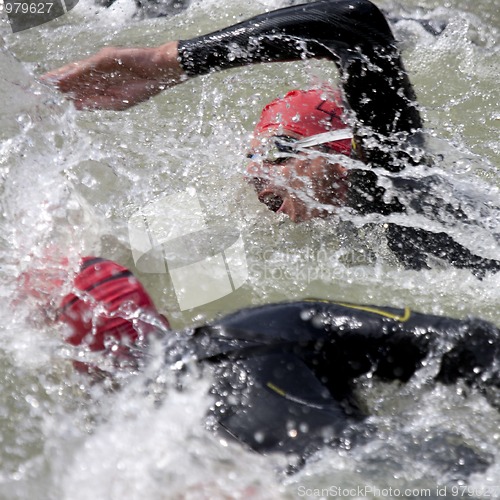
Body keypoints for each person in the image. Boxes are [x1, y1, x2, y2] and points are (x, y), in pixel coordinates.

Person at [41, 0, 500, 275]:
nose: (256, 172)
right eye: (253, 155)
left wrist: (169, 61)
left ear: (342, 151)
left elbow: (353, 22)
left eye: (280, 150)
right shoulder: (345, 229)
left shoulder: (393, 173)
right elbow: (190, 275)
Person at [49, 256, 500, 464]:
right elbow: (470, 345)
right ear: (160, 319)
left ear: (83, 365)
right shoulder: (266, 323)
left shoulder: (120, 449)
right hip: (422, 465)